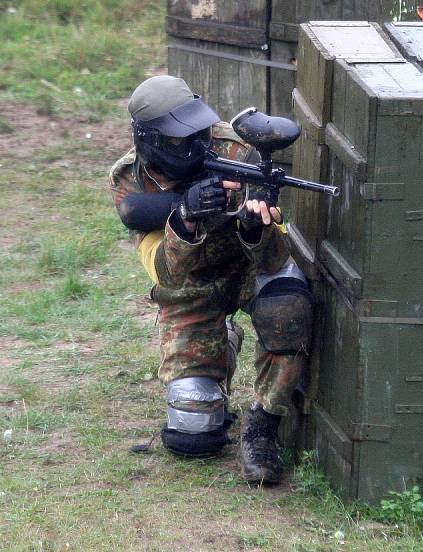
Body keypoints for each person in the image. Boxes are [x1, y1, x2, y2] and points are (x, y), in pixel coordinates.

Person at [109, 75, 312, 483]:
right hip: (192, 288)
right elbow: (169, 275)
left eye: (199, 132)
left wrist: (255, 226)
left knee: (286, 305)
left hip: (248, 269)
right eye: (179, 139)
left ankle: (262, 427)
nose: (196, 144)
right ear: (148, 139)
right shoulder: (132, 179)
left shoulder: (236, 151)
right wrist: (185, 215)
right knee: (192, 436)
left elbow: (275, 259)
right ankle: (223, 347)